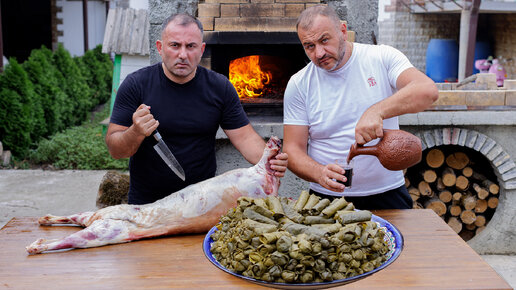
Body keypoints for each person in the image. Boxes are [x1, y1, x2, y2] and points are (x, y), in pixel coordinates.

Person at [105, 13, 288, 205]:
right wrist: (135, 132)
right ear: (160, 47)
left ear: (201, 50)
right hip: (146, 203)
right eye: (175, 45)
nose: (183, 54)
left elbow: (245, 138)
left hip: (201, 202)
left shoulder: (220, 87)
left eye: (190, 46)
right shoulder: (136, 85)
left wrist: (269, 160)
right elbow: (116, 150)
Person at [283, 5, 438, 210]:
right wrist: (318, 172)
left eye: (324, 40)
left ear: (343, 31)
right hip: (327, 199)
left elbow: (427, 91)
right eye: (309, 46)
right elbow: (292, 149)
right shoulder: (299, 83)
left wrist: (376, 111)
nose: (319, 52)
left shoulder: (381, 57)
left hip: (387, 193)